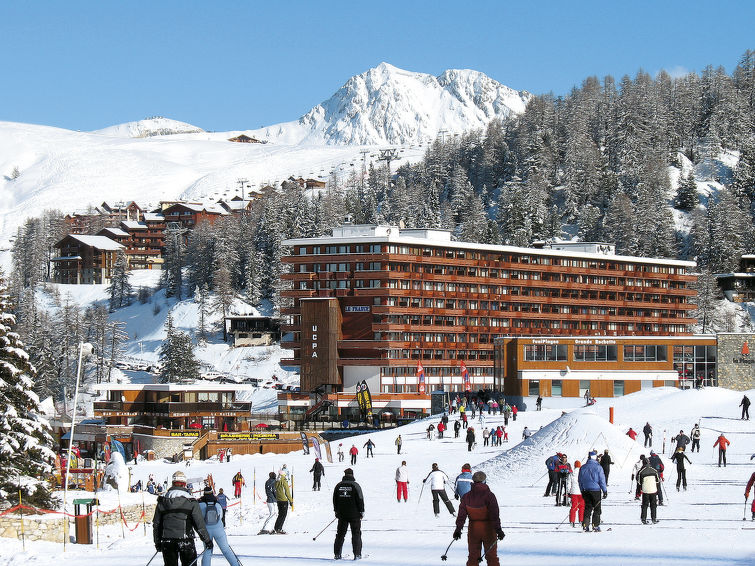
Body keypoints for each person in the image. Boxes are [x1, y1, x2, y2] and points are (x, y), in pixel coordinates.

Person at [153, 471, 213, 566]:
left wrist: (157, 542)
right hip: (186, 540)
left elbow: (157, 524)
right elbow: (199, 524)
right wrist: (207, 540)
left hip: (167, 540)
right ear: (184, 484)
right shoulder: (191, 501)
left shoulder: (162, 500)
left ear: (173, 483)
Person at [453, 471, 504, 566]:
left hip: (473, 529)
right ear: (484, 481)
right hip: (488, 529)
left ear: (473, 481)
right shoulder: (490, 496)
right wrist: (498, 530)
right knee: (492, 557)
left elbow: (461, 515)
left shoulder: (466, 497)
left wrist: (458, 529)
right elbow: (494, 515)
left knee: (473, 557)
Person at [199, 486, 240, 566]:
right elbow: (221, 516)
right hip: (218, 530)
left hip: (206, 530)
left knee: (207, 550)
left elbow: (198, 518)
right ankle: (235, 564)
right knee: (226, 549)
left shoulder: (200, 504)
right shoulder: (217, 503)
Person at [333, 468, 364, 560]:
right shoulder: (355, 485)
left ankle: (337, 554)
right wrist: (361, 511)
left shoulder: (338, 486)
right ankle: (357, 554)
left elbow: (335, 500)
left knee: (340, 534)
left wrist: (336, 511)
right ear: (352, 475)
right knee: (356, 534)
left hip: (342, 515)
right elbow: (360, 499)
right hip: (355, 515)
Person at [577, 450, 607, 532]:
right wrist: (604, 490)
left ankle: (585, 525)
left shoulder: (583, 467)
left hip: (586, 490)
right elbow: (602, 480)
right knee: (597, 508)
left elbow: (580, 480)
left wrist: (582, 490)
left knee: (588, 508)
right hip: (596, 490)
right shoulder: (598, 467)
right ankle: (595, 525)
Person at [637, 457, 661, 524]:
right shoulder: (654, 470)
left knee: (645, 505)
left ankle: (643, 519)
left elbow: (639, 482)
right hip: (653, 490)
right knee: (653, 505)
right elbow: (657, 480)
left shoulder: (641, 472)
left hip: (645, 490)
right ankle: (654, 519)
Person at [567, 460, 584, 527]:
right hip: (581, 492)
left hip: (573, 492)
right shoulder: (583, 473)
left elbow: (568, 484)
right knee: (582, 507)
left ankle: (572, 521)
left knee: (574, 507)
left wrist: (569, 492)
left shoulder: (571, 473)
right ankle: (581, 520)